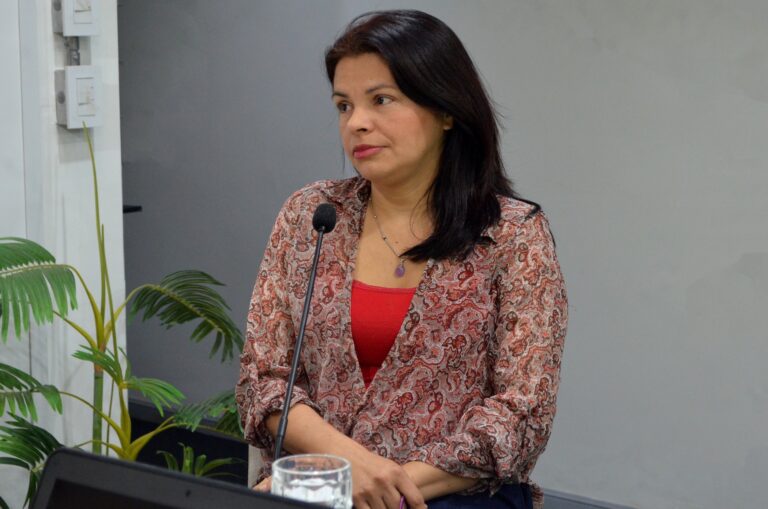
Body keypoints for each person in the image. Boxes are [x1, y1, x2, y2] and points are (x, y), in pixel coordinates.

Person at [236, 10, 567, 509]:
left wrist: (374, 486)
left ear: (446, 109)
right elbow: (263, 383)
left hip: (451, 498)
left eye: (381, 100)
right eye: (344, 105)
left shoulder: (513, 235)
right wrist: (346, 471)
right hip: (315, 492)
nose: (356, 123)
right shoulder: (312, 215)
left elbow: (521, 415)